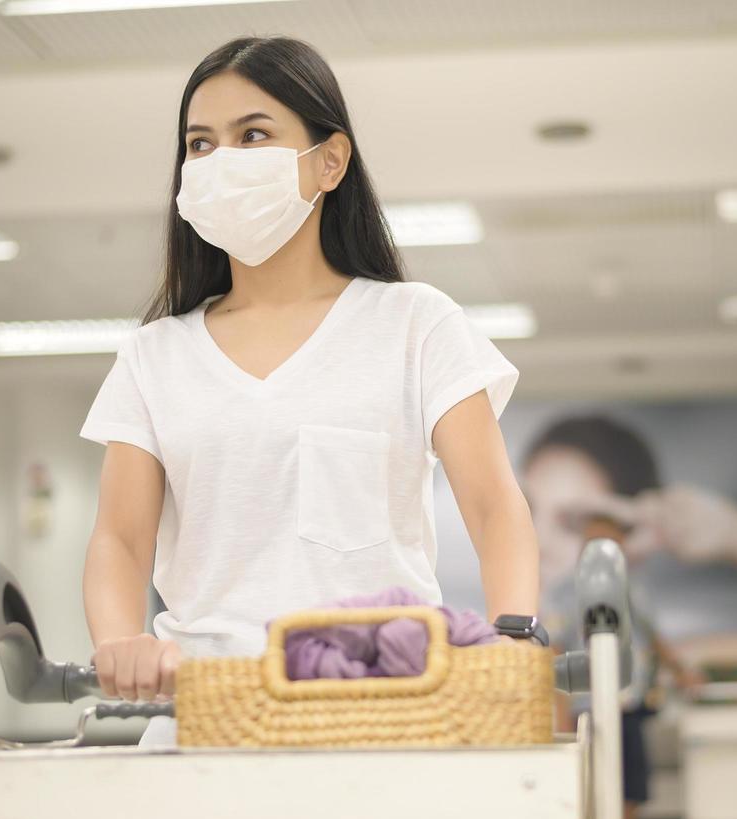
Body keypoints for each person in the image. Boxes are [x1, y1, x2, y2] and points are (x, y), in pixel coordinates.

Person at [78, 36, 540, 746]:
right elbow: (119, 538)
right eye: (199, 145)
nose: (219, 162)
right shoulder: (153, 356)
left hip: (384, 708)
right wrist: (119, 643)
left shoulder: (415, 324)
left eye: (252, 135)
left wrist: (513, 637)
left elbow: (492, 506)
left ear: (330, 161)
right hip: (205, 712)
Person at [521, 415, 737, 675]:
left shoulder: (650, 630)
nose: (539, 542)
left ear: (629, 546)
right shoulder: (492, 638)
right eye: (526, 512)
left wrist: (735, 533)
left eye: (571, 524)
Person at [547, 512, 702, 819]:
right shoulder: (564, 593)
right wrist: (561, 713)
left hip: (629, 706)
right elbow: (555, 652)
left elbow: (655, 637)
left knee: (630, 792)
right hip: (588, 709)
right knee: (588, 793)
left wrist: (682, 673)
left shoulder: (635, 589)